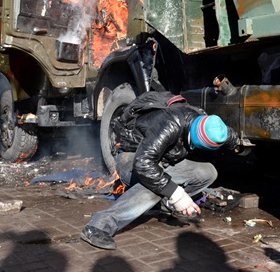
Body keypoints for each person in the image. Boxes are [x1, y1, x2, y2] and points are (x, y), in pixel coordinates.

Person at [80, 91, 241, 250]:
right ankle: (98, 226)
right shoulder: (170, 124)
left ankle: (165, 206)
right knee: (157, 187)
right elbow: (143, 164)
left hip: (160, 160)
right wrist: (176, 194)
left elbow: (225, 134)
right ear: (198, 141)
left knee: (207, 172)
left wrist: (237, 145)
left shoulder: (203, 120)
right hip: (131, 157)